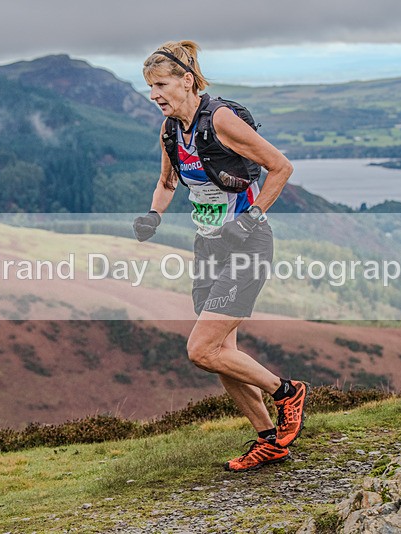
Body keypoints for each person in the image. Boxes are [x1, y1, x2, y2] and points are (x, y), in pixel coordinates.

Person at [133, 40, 309, 472]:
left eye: (161, 84)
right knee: (221, 353)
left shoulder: (222, 120)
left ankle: (287, 391)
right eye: (149, 87)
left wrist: (252, 217)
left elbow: (281, 166)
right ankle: (269, 440)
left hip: (247, 243)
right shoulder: (170, 130)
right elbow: (168, 183)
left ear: (187, 80)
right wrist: (153, 216)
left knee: (201, 349)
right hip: (209, 246)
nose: (154, 94)